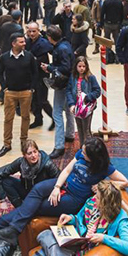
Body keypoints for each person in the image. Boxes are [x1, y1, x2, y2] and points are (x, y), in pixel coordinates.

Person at [0, 138, 128, 246]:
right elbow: (67, 170)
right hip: (63, 184)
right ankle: (12, 230)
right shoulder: (81, 155)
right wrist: (56, 187)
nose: (81, 153)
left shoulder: (105, 167)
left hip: (74, 199)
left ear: (94, 158)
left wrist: (103, 183)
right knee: (37, 190)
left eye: (85, 153)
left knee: (37, 206)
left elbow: (125, 182)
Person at [26, 180, 128, 256]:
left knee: (45, 253)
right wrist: (70, 218)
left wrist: (103, 238)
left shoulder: (120, 218)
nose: (94, 198)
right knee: (46, 242)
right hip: (76, 240)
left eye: (98, 198)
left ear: (106, 203)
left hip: (88, 249)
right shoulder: (92, 202)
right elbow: (79, 218)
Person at [0, 33, 39, 158]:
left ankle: (24, 142)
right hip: (10, 93)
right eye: (21, 42)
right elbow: (0, 73)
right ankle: (7, 144)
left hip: (26, 92)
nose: (24, 43)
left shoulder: (29, 56)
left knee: (25, 117)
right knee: (8, 119)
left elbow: (35, 73)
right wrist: (4, 88)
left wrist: (32, 88)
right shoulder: (4, 57)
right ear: (13, 44)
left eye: (24, 41)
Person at [0, 139, 60, 208]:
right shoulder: (21, 162)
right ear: (24, 155)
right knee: (6, 181)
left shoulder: (48, 164)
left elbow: (60, 179)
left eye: (35, 152)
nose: (33, 155)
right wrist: (2, 199)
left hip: (42, 195)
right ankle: (20, 207)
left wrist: (55, 190)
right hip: (27, 191)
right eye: (29, 153)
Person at [42, 25, 75, 159]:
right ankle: (70, 134)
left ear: (50, 38)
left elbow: (64, 68)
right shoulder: (65, 44)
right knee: (68, 109)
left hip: (62, 84)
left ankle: (59, 146)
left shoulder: (60, 49)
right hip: (70, 82)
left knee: (57, 113)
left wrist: (49, 68)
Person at [66, 56, 101, 144]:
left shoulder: (91, 77)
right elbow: (69, 91)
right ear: (76, 67)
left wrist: (87, 97)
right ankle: (82, 147)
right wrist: (71, 104)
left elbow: (97, 91)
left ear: (86, 67)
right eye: (79, 66)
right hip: (76, 107)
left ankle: (89, 148)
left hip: (87, 108)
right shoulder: (73, 77)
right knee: (79, 128)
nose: (81, 68)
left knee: (86, 129)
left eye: (83, 66)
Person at [26, 22, 54, 130]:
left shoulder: (44, 43)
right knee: (34, 100)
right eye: (30, 31)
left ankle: (54, 119)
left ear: (38, 31)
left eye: (34, 31)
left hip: (42, 76)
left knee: (43, 100)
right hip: (31, 76)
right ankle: (38, 119)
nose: (32, 33)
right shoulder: (27, 42)